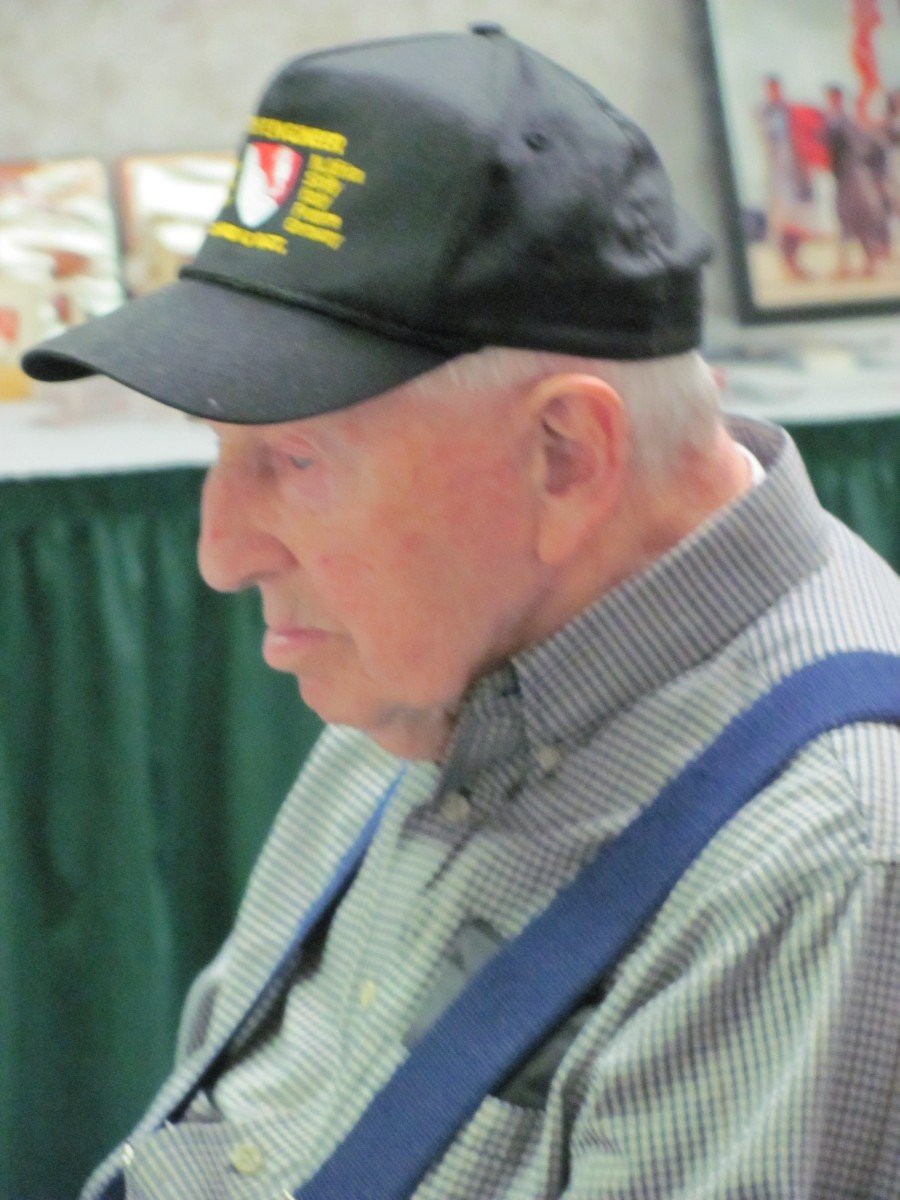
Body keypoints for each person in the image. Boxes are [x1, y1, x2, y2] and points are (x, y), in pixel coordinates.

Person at [22, 27, 900, 1200]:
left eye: (294, 459)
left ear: (563, 456)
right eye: (219, 451)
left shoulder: (823, 867)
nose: (221, 553)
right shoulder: (442, 663)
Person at [823, 83, 890, 277]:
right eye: (830, 98)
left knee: (859, 220)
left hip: (853, 176)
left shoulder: (846, 121)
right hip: (841, 177)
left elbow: (864, 145)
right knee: (846, 220)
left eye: (835, 97)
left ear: (839, 98)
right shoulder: (830, 120)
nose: (833, 101)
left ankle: (864, 264)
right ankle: (847, 265)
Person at [756, 75, 816, 279]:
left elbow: (806, 135)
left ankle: (795, 262)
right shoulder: (765, 113)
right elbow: (767, 138)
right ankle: (788, 264)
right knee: (783, 222)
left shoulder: (791, 112)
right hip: (778, 176)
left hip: (796, 174)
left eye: (776, 88)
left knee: (799, 220)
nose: (774, 92)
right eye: (771, 89)